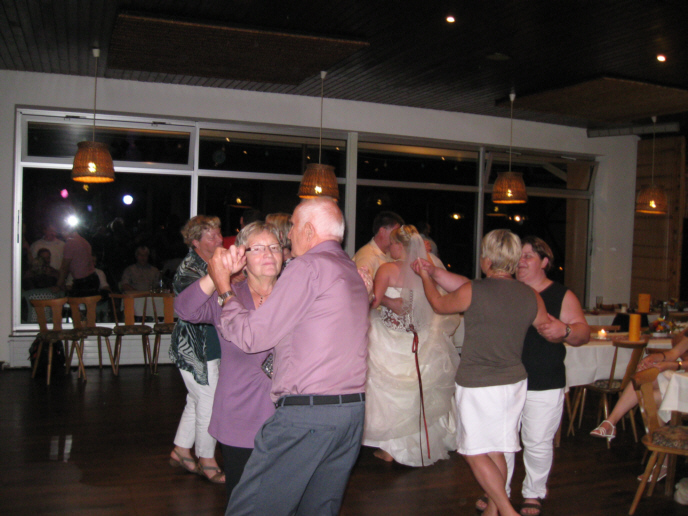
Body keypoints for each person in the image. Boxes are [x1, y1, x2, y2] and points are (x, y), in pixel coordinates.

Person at [208, 196, 370, 516]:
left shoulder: (307, 266)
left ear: (308, 230)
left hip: (308, 416)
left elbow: (252, 337)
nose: (288, 234)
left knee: (251, 508)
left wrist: (224, 288)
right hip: (351, 414)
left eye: (293, 226)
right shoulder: (350, 269)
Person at [416, 229, 551, 516]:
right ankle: (493, 511)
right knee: (496, 449)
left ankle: (507, 511)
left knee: (474, 451)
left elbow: (438, 304)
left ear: (487, 260)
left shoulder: (474, 290)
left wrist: (426, 277)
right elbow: (545, 326)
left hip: (478, 383)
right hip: (513, 383)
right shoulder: (531, 296)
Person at [174, 221, 280, 501]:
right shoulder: (229, 295)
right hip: (240, 415)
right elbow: (184, 309)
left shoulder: (293, 294)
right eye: (258, 248)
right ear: (242, 256)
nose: (269, 253)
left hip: (286, 416)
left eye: (274, 247)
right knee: (243, 498)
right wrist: (216, 275)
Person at [499, 236, 589, 516]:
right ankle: (498, 492)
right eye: (518, 256)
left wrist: (566, 330)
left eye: (528, 256)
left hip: (544, 380)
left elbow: (583, 333)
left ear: (545, 262)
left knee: (537, 441)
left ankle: (534, 492)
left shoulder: (561, 294)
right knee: (501, 441)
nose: (521, 261)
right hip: (504, 379)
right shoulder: (507, 290)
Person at [363, 225, 461, 466]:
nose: (389, 248)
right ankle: (422, 442)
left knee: (387, 392)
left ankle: (390, 448)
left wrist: (385, 299)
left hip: (390, 337)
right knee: (419, 391)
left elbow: (373, 302)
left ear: (400, 245)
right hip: (421, 337)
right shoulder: (428, 269)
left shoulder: (387, 269)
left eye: (392, 244)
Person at [168, 215, 226, 484]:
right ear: (195, 242)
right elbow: (202, 304)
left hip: (209, 345)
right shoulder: (189, 270)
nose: (219, 239)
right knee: (209, 402)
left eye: (219, 233)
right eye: (211, 236)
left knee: (196, 399)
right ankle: (206, 458)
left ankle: (181, 450)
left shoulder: (210, 264)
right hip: (194, 349)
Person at [353, 211, 404, 279]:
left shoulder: (390, 254)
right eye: (395, 232)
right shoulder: (367, 256)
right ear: (382, 231)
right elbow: (360, 284)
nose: (397, 237)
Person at [56, 221, 99, 297]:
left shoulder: (70, 243)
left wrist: (58, 285)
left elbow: (64, 267)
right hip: (92, 278)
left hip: (83, 282)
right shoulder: (84, 241)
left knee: (76, 303)